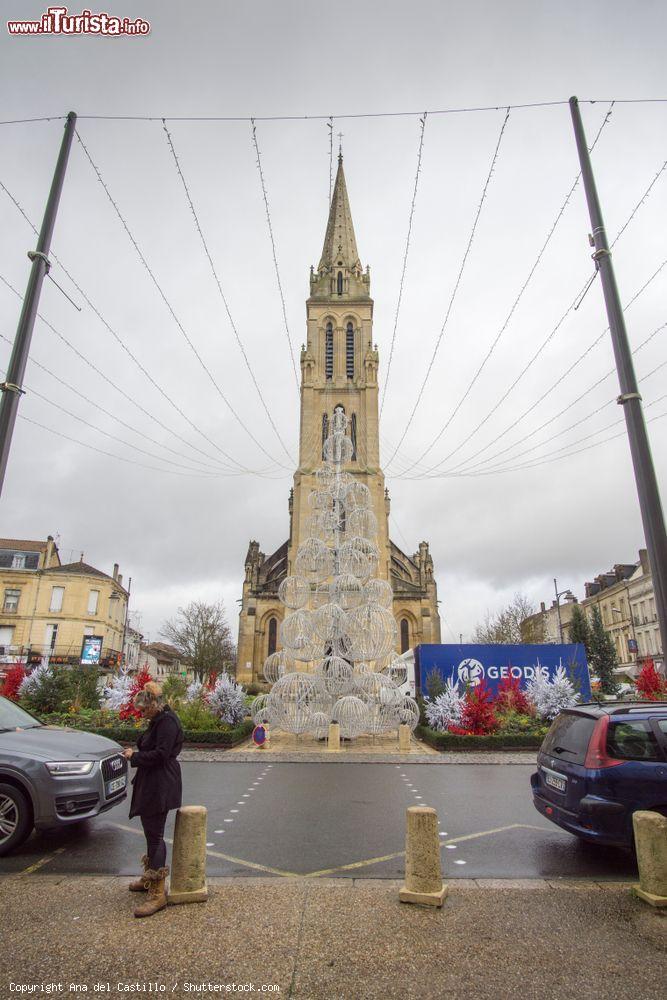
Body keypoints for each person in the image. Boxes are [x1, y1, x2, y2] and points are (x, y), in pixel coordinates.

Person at [121, 681, 183, 918]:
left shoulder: (167, 722)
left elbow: (161, 754)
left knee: (156, 836)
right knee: (150, 833)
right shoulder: (159, 719)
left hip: (161, 783)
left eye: (144, 710)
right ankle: (149, 878)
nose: (142, 714)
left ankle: (158, 893)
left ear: (155, 705)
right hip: (153, 781)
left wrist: (134, 756)